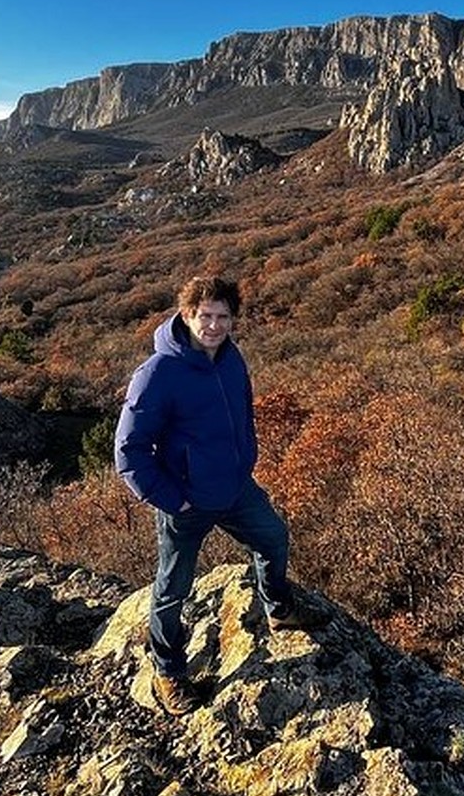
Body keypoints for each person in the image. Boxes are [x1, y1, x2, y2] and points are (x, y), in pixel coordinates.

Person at [114, 274, 323, 715]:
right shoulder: (159, 372)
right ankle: (169, 671)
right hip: (185, 499)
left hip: (234, 486)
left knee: (273, 537)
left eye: (222, 317)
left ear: (233, 320)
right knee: (173, 588)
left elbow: (241, 413)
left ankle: (279, 608)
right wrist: (173, 499)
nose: (213, 325)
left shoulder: (231, 358)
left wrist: (246, 459)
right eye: (204, 316)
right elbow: (129, 452)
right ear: (187, 315)